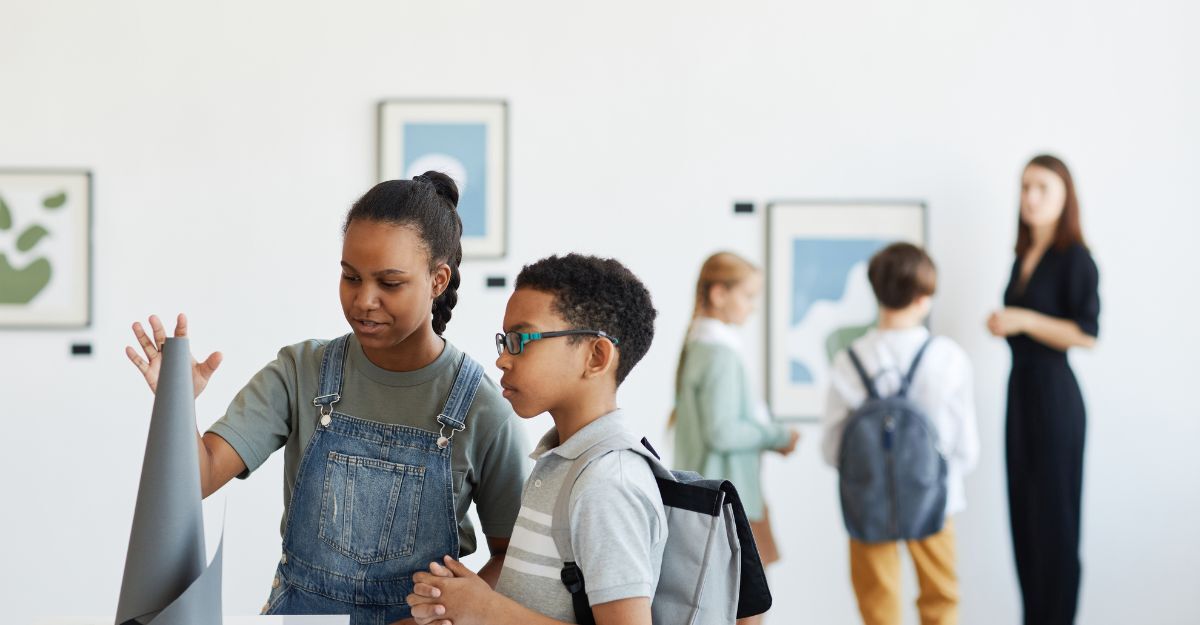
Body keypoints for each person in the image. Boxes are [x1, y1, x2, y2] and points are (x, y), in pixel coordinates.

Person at [124, 173, 529, 625]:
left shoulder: (482, 409)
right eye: (350, 277)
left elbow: (513, 559)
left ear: (437, 280)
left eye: (389, 283)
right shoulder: (301, 371)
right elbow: (197, 480)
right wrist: (176, 402)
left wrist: (441, 613)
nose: (364, 300)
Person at [405, 253, 666, 625]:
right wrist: (464, 603)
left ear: (596, 356)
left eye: (520, 340)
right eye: (504, 341)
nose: (502, 360)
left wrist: (485, 608)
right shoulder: (559, 462)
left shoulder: (608, 482)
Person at [823, 243, 979, 625]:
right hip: (935, 499)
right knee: (940, 598)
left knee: (878, 604)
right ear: (925, 297)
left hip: (868, 501)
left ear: (876, 291)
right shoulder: (948, 357)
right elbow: (966, 449)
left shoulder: (849, 359)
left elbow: (831, 450)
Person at [987, 154, 1099, 625]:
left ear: (1064, 197)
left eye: (1042, 188)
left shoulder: (1075, 258)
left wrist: (1024, 319)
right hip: (1021, 395)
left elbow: (1087, 333)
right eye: (1025, 187)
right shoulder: (1022, 254)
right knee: (1025, 519)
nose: (1030, 197)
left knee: (1055, 523)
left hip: (1055, 399)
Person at [669, 251, 799, 625]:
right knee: (748, 611)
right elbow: (723, 432)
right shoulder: (719, 354)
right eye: (748, 296)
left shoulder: (699, 346)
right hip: (732, 501)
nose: (752, 307)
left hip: (710, 500)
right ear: (718, 294)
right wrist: (777, 435)